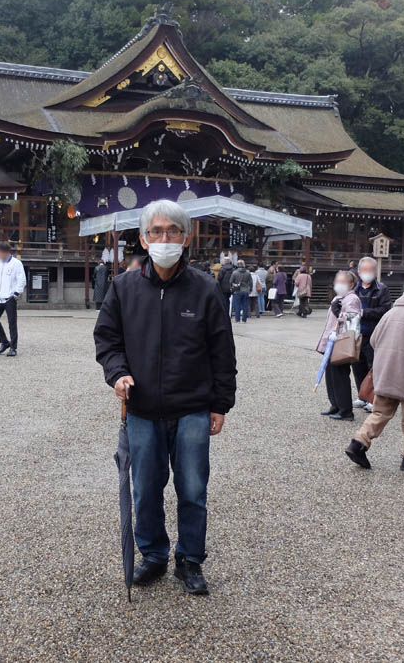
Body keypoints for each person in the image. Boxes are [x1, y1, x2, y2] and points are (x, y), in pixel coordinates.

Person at [94, 199, 236, 596]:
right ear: (143, 238)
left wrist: (220, 404)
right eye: (156, 231)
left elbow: (222, 350)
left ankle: (190, 558)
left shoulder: (205, 288)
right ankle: (153, 554)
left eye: (173, 231)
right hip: (142, 409)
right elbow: (107, 339)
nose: (164, 238)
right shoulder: (124, 288)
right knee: (146, 486)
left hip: (192, 407)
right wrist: (117, 373)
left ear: (185, 237)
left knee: (192, 489)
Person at [345, 272, 404, 475]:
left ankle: (358, 443)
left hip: (387, 371)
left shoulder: (391, 312)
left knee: (380, 412)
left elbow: (374, 341)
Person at [318, 271, 362, 420]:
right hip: (332, 341)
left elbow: (353, 319)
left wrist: (340, 313)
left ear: (351, 284)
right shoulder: (338, 297)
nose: (339, 284)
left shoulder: (352, 299)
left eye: (342, 281)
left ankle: (345, 410)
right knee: (331, 376)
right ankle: (335, 404)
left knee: (340, 376)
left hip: (341, 342)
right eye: (337, 280)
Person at [351, 257, 392, 411]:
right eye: (364, 269)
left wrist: (364, 313)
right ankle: (362, 395)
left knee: (373, 367)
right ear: (359, 271)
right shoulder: (354, 289)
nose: (366, 273)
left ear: (374, 271)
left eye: (370, 269)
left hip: (374, 334)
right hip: (356, 334)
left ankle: (372, 398)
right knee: (357, 365)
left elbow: (385, 310)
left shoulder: (382, 289)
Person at [0, 240, 26, 357]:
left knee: (12, 323)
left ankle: (13, 347)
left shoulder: (16, 263)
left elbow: (21, 279)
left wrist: (16, 293)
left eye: (0, 252)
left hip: (9, 297)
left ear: (6, 252)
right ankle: (4, 341)